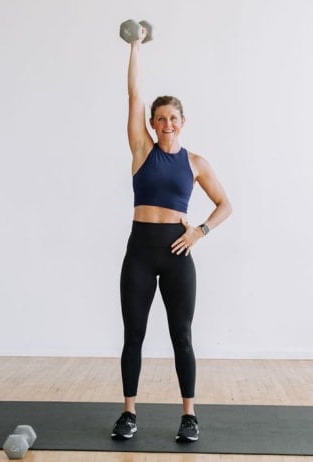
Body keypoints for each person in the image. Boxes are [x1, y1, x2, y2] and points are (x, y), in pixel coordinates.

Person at [111, 25, 232, 443]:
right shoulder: (142, 151)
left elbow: (226, 205)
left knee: (182, 335)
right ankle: (128, 413)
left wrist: (199, 231)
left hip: (178, 254)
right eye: (159, 118)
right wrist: (135, 46)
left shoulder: (196, 162)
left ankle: (188, 415)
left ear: (183, 122)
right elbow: (133, 94)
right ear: (152, 123)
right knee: (134, 335)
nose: (166, 124)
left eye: (172, 118)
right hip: (140, 252)